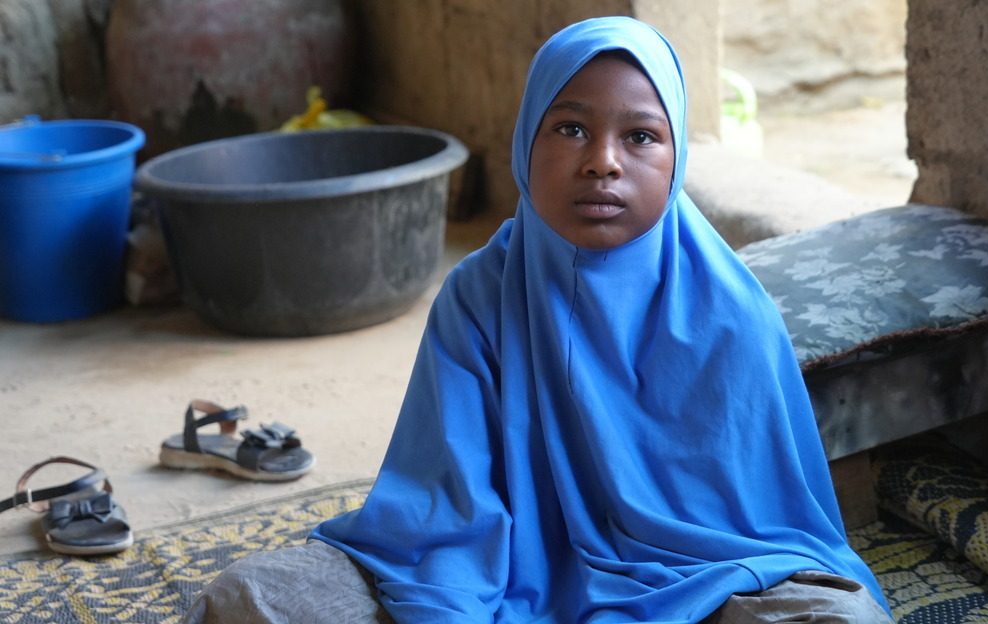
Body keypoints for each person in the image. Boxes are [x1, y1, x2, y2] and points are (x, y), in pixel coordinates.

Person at [184, 16, 893, 623]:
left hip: (703, 582)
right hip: (496, 568)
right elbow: (445, 506)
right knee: (249, 598)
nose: (602, 163)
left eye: (641, 137)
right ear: (527, 139)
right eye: (572, 128)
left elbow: (768, 524)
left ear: (677, 160)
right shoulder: (479, 295)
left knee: (837, 615)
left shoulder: (731, 313)